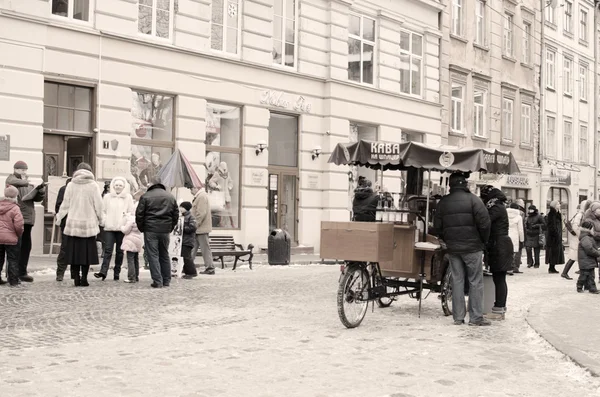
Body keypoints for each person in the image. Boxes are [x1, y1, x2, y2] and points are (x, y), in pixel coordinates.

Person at [434, 172, 491, 327]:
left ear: (450, 185)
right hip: (473, 247)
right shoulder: (475, 200)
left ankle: (458, 318)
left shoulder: (443, 202)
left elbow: (437, 226)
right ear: (465, 184)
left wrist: (446, 239)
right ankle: (475, 317)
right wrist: (483, 241)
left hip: (453, 248)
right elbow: (485, 223)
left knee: (457, 281)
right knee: (475, 281)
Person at [55, 163, 103, 287]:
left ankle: (76, 278)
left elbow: (65, 204)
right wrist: (101, 219)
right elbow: (99, 205)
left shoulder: (71, 185)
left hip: (73, 224)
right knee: (86, 254)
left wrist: (59, 218)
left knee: (74, 253)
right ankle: (84, 279)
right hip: (89, 224)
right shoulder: (93, 185)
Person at [6, 161, 46, 282]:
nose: (25, 172)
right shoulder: (12, 179)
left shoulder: (27, 182)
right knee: (17, 246)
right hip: (18, 216)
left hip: (28, 216)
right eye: (22, 170)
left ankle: (22, 271)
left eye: (25, 170)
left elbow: (36, 198)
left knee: (26, 246)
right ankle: (14, 273)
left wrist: (40, 191)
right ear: (16, 169)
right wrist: (27, 182)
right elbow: (12, 182)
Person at [136, 177, 179, 288]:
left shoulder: (145, 196)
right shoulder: (170, 196)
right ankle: (166, 280)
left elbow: (139, 215)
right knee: (164, 254)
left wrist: (142, 228)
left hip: (150, 229)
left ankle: (157, 280)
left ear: (151, 184)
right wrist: (170, 227)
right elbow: (176, 215)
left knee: (153, 255)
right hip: (165, 230)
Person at [480, 186, 514, 321]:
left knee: (499, 278)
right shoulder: (498, 206)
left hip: (500, 245)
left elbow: (485, 221)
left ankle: (499, 310)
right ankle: (499, 309)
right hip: (500, 244)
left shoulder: (496, 207)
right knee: (498, 278)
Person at [95, 177, 134, 281]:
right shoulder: (107, 197)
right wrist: (104, 221)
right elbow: (102, 210)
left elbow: (131, 211)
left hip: (122, 228)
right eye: (116, 185)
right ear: (113, 186)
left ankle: (117, 272)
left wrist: (126, 219)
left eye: (120, 185)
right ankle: (103, 272)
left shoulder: (128, 197)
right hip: (109, 227)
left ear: (124, 187)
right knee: (108, 250)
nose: (118, 187)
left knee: (120, 251)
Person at [0, 186, 24, 287]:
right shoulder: (15, 208)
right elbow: (19, 225)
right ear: (15, 196)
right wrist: (18, 234)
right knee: (13, 259)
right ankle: (13, 280)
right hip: (12, 238)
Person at [563, 200, 591, 280]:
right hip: (577, 239)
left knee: (578, 256)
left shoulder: (582, 214)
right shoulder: (580, 215)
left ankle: (578, 271)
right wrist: (581, 235)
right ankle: (565, 272)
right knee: (573, 256)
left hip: (578, 238)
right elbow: (575, 227)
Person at [191, 186, 214, 275]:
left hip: (201, 228)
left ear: (197, 187)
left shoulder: (201, 196)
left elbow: (201, 213)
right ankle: (188, 266)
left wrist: (195, 224)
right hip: (199, 228)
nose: (190, 190)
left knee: (205, 248)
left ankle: (210, 268)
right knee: (192, 248)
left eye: (191, 188)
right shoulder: (199, 196)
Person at [576, 220, 600, 294]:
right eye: (592, 228)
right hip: (586, 261)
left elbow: (591, 247)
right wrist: (598, 253)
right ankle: (580, 286)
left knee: (591, 276)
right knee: (584, 275)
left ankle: (591, 288)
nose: (593, 230)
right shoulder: (586, 238)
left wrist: (597, 249)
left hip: (588, 261)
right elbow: (589, 249)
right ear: (589, 229)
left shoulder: (587, 237)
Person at [55, 177, 72, 282]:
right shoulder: (64, 189)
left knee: (78, 248)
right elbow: (58, 206)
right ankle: (60, 272)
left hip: (79, 221)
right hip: (66, 222)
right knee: (65, 247)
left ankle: (75, 273)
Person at [121, 209, 142, 283]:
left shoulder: (130, 220)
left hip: (130, 241)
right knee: (136, 259)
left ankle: (131, 277)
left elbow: (126, 230)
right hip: (138, 240)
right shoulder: (139, 220)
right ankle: (136, 276)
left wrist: (122, 227)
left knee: (130, 260)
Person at [179, 201, 198, 279]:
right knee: (184, 256)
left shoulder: (191, 217)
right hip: (182, 240)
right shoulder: (181, 217)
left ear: (185, 208)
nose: (180, 208)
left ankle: (191, 272)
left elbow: (192, 228)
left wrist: (182, 228)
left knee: (187, 257)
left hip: (188, 240)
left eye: (181, 207)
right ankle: (187, 271)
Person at [546, 201, 565, 274]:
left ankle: (552, 267)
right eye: (558, 204)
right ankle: (551, 268)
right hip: (553, 237)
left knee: (555, 252)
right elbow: (552, 226)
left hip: (556, 236)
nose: (559, 205)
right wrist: (556, 234)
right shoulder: (552, 214)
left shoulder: (557, 213)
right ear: (554, 206)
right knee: (553, 252)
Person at [507, 203, 525, 275]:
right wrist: (522, 239)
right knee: (514, 252)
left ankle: (507, 268)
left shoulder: (505, 214)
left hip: (507, 235)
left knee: (507, 252)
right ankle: (513, 268)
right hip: (515, 236)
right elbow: (520, 229)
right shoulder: (518, 217)